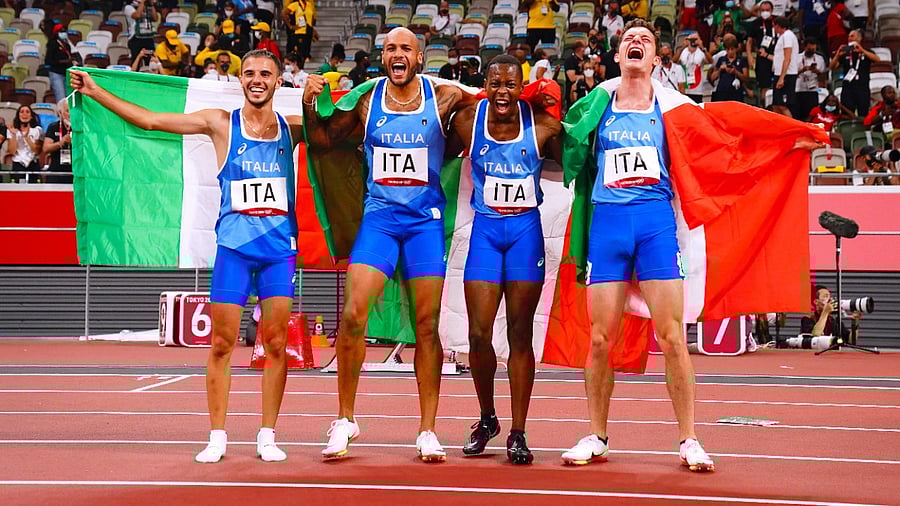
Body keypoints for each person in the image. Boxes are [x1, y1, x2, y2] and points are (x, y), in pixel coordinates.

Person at [70, 50, 305, 464]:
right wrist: (97, 91)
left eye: (265, 73)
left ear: (278, 81)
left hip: (278, 253)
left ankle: (267, 434)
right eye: (248, 72)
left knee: (276, 343)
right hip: (234, 250)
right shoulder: (219, 122)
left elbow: (338, 129)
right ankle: (217, 435)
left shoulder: (292, 127)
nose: (256, 79)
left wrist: (321, 96)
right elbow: (151, 120)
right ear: (239, 80)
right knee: (221, 343)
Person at [301, 27, 481, 463]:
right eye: (389, 49)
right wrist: (310, 103)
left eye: (405, 49)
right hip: (380, 221)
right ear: (383, 58)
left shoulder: (444, 98)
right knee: (352, 315)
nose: (396, 54)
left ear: (420, 58)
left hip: (424, 224)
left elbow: (484, 118)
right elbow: (323, 140)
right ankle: (345, 419)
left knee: (426, 326)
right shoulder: (367, 100)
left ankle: (427, 430)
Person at [559, 19, 715, 472]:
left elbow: (724, 139)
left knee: (672, 338)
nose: (635, 43)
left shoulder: (674, 109)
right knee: (601, 339)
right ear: (616, 54)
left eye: (645, 40)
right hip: (607, 226)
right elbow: (562, 137)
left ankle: (688, 438)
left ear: (656, 60)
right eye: (628, 38)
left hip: (654, 226)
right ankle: (597, 434)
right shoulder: (596, 106)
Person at [447, 54, 562, 466]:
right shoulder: (467, 122)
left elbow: (574, 162)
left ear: (521, 86)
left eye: (511, 85)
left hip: (525, 236)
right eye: (495, 84)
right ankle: (487, 418)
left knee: (519, 333)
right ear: (486, 83)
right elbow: (435, 150)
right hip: (486, 232)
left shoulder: (543, 126)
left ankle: (518, 431)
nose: (502, 93)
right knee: (478, 335)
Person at [830, 30, 881, 117]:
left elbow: (877, 60)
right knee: (846, 113)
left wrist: (862, 51)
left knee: (863, 113)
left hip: (862, 88)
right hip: (848, 88)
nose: (849, 38)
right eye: (849, 36)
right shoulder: (845, 53)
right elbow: (832, 66)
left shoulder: (866, 51)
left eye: (852, 36)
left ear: (859, 38)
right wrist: (838, 54)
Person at [746, 1, 777, 105]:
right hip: (762, 58)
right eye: (762, 10)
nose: (765, 12)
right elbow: (749, 41)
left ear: (772, 10)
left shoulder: (778, 21)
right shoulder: (756, 23)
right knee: (764, 85)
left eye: (767, 10)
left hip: (776, 57)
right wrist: (750, 56)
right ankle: (764, 106)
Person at [8, 105, 43, 184]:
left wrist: (27, 138)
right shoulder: (12, 130)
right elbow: (12, 151)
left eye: (27, 112)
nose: (24, 114)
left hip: (33, 164)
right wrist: (14, 135)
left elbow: (37, 151)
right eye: (22, 112)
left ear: (31, 116)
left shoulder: (37, 130)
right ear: (18, 115)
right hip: (18, 164)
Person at [771, 16, 799, 117]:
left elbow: (787, 58)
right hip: (779, 73)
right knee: (775, 105)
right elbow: (779, 57)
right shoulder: (782, 37)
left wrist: (782, 78)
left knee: (783, 106)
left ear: (778, 26)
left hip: (787, 74)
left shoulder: (788, 36)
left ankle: (791, 128)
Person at [708, 34, 748, 102]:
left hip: (736, 94)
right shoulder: (721, 59)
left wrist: (736, 72)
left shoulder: (742, 60)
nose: (730, 52)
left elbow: (746, 78)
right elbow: (712, 78)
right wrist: (720, 70)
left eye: (732, 49)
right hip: (721, 93)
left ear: (736, 48)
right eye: (728, 49)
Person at [676, 31, 713, 103]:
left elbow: (711, 61)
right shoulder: (683, 52)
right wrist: (682, 47)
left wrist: (702, 47)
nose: (693, 42)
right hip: (685, 87)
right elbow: (674, 62)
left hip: (697, 89)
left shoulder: (701, 52)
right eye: (691, 40)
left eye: (695, 39)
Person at [794, 38, 826, 120]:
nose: (811, 51)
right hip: (799, 89)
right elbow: (791, 75)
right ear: (804, 47)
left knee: (811, 115)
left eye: (813, 49)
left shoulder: (819, 59)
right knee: (798, 115)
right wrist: (802, 70)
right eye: (809, 49)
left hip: (813, 89)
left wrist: (817, 71)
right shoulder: (796, 58)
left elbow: (823, 77)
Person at [42, 99, 73, 184]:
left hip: (75, 171)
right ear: (60, 113)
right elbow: (46, 148)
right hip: (56, 171)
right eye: (67, 111)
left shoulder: (80, 127)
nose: (71, 114)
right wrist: (61, 142)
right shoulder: (53, 127)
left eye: (72, 110)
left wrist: (74, 143)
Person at [45, 23, 77, 104]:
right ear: (56, 33)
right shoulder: (52, 44)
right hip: (57, 74)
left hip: (67, 73)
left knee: (69, 97)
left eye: (65, 31)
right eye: (61, 31)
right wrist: (64, 61)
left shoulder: (67, 45)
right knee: (61, 98)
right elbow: (48, 60)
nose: (64, 33)